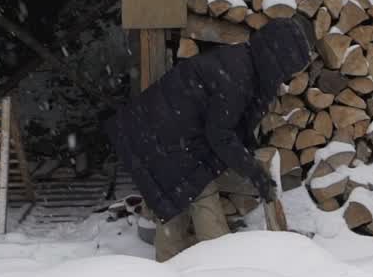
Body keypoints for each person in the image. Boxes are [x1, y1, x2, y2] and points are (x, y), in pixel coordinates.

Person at [104, 15, 315, 261]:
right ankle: (212, 272)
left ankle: (172, 272)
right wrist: (255, 173)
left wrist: (248, 154)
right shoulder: (239, 76)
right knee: (204, 214)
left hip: (168, 136)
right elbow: (221, 135)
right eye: (285, 71)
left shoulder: (246, 63)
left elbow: (234, 123)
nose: (285, 80)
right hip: (166, 139)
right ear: (277, 61)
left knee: (176, 208)